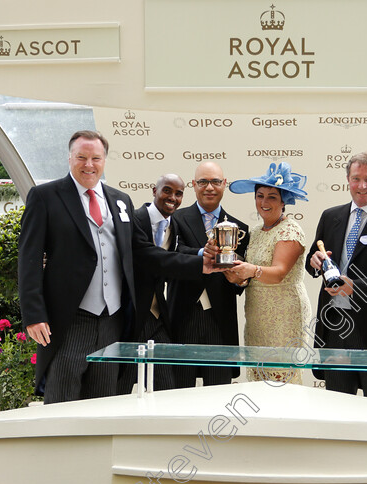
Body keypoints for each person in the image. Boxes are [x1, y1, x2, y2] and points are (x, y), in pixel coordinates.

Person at [18, 130, 209, 404]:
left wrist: (200, 264)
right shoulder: (46, 196)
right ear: (70, 157)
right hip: (71, 320)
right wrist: (34, 314)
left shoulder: (120, 200)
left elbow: (144, 252)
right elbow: (29, 258)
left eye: (96, 158)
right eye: (81, 157)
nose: (89, 164)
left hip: (112, 321)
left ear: (104, 160)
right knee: (62, 402)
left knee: (102, 402)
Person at [305, 151, 367, 398]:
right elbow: (312, 260)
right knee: (337, 404)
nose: (362, 186)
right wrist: (315, 260)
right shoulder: (330, 217)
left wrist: (355, 287)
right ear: (347, 180)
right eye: (356, 178)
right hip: (334, 325)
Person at [226, 162, 311, 384]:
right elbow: (252, 274)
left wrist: (251, 270)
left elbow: (279, 272)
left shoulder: (290, 229)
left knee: (281, 379)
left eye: (272, 197)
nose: (264, 202)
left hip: (284, 315)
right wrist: (238, 277)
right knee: (258, 377)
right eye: (260, 196)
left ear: (284, 201)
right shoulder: (254, 232)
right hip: (256, 316)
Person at [168, 161, 249, 388]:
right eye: (203, 182)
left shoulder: (240, 229)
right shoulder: (175, 219)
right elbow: (174, 253)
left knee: (218, 394)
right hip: (182, 317)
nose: (209, 187)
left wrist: (240, 276)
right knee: (178, 394)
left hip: (219, 322)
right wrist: (202, 253)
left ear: (224, 184)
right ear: (193, 185)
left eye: (215, 181)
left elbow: (239, 283)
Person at [123, 173, 186, 391]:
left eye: (179, 193)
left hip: (158, 318)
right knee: (118, 389)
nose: (173, 197)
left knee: (166, 388)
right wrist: (202, 264)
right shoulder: (132, 219)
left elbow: (176, 258)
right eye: (167, 190)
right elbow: (153, 259)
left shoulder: (174, 226)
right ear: (154, 191)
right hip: (129, 317)